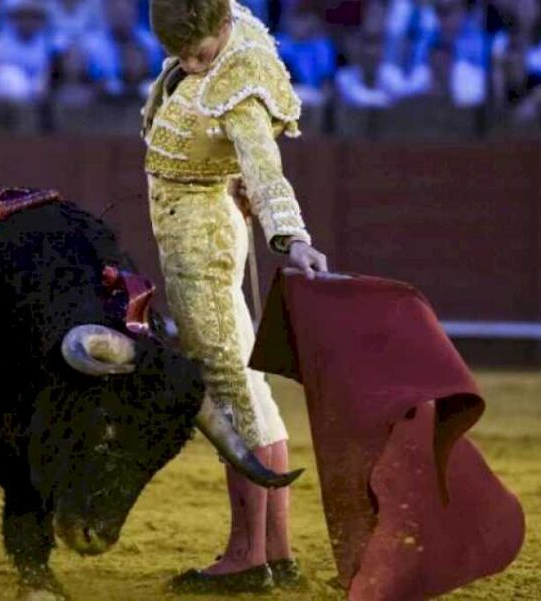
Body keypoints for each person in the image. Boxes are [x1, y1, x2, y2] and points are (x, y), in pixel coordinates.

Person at [141, 0, 329, 593]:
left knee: (226, 385)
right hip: (199, 219)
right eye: (180, 56)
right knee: (246, 385)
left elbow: (265, 165)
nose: (193, 67)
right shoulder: (217, 29)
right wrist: (235, 178)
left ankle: (248, 557)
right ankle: (275, 552)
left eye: (200, 54)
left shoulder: (241, 76)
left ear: (223, 29)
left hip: (201, 237)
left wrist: (291, 236)